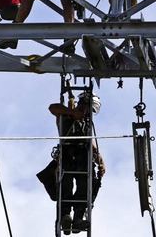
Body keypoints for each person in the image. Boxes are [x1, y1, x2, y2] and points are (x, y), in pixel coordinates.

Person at [48, 92, 105, 235]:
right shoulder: (65, 114)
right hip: (67, 152)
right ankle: (65, 217)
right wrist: (72, 112)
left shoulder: (87, 122)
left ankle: (78, 218)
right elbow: (52, 108)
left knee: (86, 185)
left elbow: (89, 140)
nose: (88, 113)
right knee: (65, 184)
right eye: (89, 109)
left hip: (83, 155)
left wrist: (99, 159)